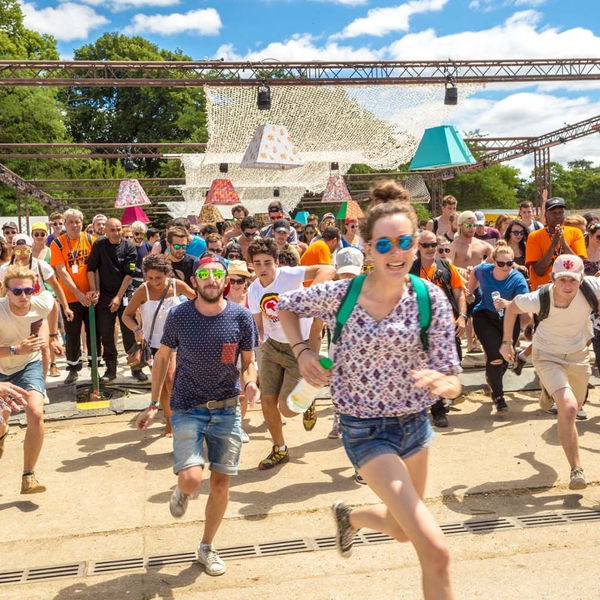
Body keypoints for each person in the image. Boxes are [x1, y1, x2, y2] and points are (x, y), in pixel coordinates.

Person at [278, 181, 461, 599]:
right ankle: (355, 517)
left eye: (404, 242)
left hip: (415, 427)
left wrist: (444, 384)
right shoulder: (343, 292)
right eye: (384, 245)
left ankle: (352, 517)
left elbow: (451, 374)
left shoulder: (429, 297)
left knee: (400, 530)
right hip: (365, 430)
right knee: (435, 550)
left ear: (416, 244)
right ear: (367, 248)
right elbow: (283, 305)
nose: (395, 253)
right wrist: (303, 350)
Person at [135, 252, 260, 576]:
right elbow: (162, 358)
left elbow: (248, 362)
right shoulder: (180, 315)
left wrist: (250, 384)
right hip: (188, 406)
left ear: (227, 280)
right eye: (204, 276)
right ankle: (182, 489)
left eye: (217, 275)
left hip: (228, 408)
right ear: (194, 281)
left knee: (220, 482)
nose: (211, 281)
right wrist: (152, 405)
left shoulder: (240, 318)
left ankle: (206, 546)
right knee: (192, 480)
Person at [500, 255, 598, 490]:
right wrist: (506, 341)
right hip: (547, 356)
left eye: (573, 280)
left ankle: (549, 393)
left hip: (578, 356)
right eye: (562, 279)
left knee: (577, 402)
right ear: (553, 278)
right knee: (569, 407)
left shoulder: (592, 289)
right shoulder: (539, 298)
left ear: (582, 279)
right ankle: (577, 470)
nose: (567, 286)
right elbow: (512, 308)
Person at [247, 237, 335, 470]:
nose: (263, 268)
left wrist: (312, 294)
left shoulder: (291, 275)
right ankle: (280, 449)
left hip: (299, 347)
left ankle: (308, 398)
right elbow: (259, 327)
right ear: (251, 266)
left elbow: (328, 268)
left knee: (287, 408)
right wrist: (255, 349)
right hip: (272, 346)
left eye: (268, 262)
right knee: (267, 402)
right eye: (257, 264)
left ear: (277, 262)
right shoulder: (253, 290)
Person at [0, 265, 63, 493]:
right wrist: (17, 349)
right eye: (17, 292)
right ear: (6, 291)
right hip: (1, 370)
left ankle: (29, 476)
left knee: (36, 412)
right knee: (0, 422)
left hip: (29, 366)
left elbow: (53, 304)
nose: (23, 296)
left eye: (29, 290)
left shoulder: (41, 302)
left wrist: (52, 334)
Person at [124, 254, 195, 436]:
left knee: (170, 379)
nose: (154, 281)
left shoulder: (177, 285)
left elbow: (198, 301)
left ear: (167, 274)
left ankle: (182, 421)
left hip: (178, 342)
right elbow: (126, 315)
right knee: (162, 385)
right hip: (153, 345)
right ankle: (171, 423)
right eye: (150, 277)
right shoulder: (142, 290)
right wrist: (137, 329)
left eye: (159, 278)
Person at [411, 230, 467, 427]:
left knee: (450, 364)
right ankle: (436, 410)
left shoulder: (446, 267)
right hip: (419, 327)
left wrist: (462, 316)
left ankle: (439, 402)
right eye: (425, 245)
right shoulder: (410, 269)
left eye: (433, 245)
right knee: (421, 368)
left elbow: (459, 294)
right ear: (418, 246)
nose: (430, 249)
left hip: (446, 325)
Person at [467, 241, 529, 412]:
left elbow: (524, 304)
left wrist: (508, 303)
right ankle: (499, 397)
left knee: (505, 358)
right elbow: (474, 272)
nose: (505, 267)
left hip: (509, 318)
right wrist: (470, 291)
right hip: (484, 316)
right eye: (501, 263)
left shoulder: (517, 278)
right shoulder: (483, 270)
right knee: (494, 357)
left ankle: (492, 379)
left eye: (509, 263)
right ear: (493, 262)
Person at [1, 234, 72, 379]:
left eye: (26, 251)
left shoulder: (40, 265)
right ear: (13, 250)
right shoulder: (4, 270)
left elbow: (55, 287)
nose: (22, 255)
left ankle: (42, 384)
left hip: (37, 311)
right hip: (14, 313)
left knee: (43, 347)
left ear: (31, 248)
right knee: (15, 349)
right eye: (18, 251)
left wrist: (66, 306)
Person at [87, 218, 148, 383]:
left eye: (118, 229)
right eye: (112, 230)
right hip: (104, 294)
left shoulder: (129, 247)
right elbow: (91, 268)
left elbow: (129, 275)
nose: (116, 233)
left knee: (130, 331)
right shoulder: (100, 244)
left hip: (124, 292)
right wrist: (95, 290)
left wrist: (118, 297)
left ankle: (136, 367)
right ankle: (111, 368)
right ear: (105, 230)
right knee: (106, 333)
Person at [50, 209, 98, 384]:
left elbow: (96, 267)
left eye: (77, 221)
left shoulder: (91, 240)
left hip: (90, 295)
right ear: (64, 223)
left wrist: (94, 290)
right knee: (72, 334)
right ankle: (73, 368)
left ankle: (95, 368)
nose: (74, 225)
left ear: (82, 223)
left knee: (94, 333)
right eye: (70, 222)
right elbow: (61, 271)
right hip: (71, 297)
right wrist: (78, 294)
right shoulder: (58, 244)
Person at [449, 211, 494, 354]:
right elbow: (447, 265)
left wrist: (481, 267)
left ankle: (478, 341)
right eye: (468, 224)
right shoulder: (454, 245)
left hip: (479, 285)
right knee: (465, 316)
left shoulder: (481, 244)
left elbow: (497, 254)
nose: (472, 228)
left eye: (475, 224)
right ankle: (469, 343)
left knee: (481, 315)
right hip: (462, 286)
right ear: (460, 225)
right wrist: (461, 271)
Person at [225, 259, 254, 442]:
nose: (236, 285)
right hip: (226, 348)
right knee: (227, 389)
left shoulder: (254, 296)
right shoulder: (219, 297)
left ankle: (238, 427)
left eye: (240, 280)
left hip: (247, 349)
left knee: (243, 390)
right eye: (232, 280)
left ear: (246, 281)